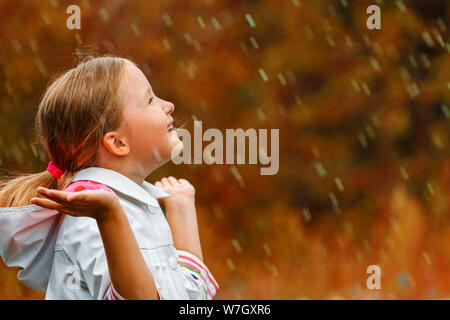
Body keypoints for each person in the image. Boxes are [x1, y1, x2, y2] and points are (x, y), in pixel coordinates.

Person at [0, 56, 219, 300]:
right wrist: (109, 216)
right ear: (117, 142)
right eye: (149, 100)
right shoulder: (90, 217)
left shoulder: (133, 206)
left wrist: (181, 211)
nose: (168, 104)